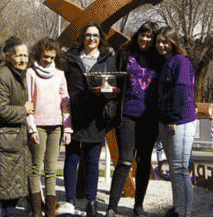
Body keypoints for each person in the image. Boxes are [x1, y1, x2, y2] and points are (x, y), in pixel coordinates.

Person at [63, 22, 120, 217]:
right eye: (88, 35)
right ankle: (69, 201)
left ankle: (91, 203)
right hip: (74, 116)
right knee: (71, 159)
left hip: (96, 119)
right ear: (82, 37)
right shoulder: (70, 58)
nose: (92, 39)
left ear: (100, 38)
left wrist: (108, 95)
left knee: (92, 161)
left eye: (95, 36)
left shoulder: (107, 59)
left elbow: (113, 85)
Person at [105, 22, 160, 217]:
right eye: (143, 35)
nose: (145, 39)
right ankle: (112, 206)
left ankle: (138, 206)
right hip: (127, 114)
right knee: (125, 160)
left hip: (150, 117)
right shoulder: (125, 53)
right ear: (137, 35)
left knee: (144, 161)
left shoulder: (158, 58)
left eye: (149, 37)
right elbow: (114, 79)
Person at [0, 36, 35, 217]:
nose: (23, 59)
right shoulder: (2, 76)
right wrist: (23, 110)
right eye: (19, 55)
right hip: (2, 146)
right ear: (8, 56)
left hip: (12, 146)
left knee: (11, 195)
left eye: (26, 56)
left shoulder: (18, 75)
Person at [25, 38, 71, 217]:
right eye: (46, 57)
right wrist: (32, 127)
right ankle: (36, 210)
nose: (49, 60)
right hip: (38, 126)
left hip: (56, 127)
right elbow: (28, 100)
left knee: (51, 169)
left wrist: (67, 128)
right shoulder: (30, 73)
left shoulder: (60, 74)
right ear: (39, 54)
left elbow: (65, 102)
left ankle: (51, 210)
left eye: (52, 57)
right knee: (35, 168)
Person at [155, 26, 197, 217]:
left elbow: (181, 91)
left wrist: (173, 118)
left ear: (174, 42)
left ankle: (185, 212)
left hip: (180, 121)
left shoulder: (181, 62)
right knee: (174, 168)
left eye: (165, 42)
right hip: (166, 121)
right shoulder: (166, 62)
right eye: (159, 42)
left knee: (180, 169)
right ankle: (177, 207)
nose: (161, 45)